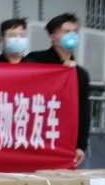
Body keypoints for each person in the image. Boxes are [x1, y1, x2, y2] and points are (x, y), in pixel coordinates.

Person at [25, 12, 92, 166]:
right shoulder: (34, 60)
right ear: (53, 36)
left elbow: (83, 111)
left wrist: (81, 145)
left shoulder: (80, 73)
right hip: (36, 135)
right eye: (66, 32)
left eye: (75, 32)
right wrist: (61, 71)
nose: (72, 35)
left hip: (65, 140)